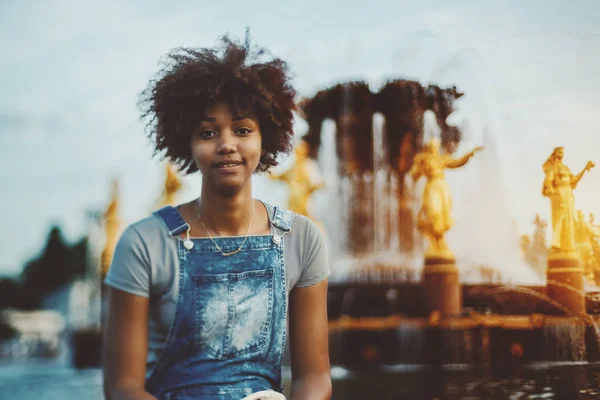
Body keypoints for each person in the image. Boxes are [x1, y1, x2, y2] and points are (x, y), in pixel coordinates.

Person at [102, 33, 332, 400]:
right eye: (208, 132)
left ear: (265, 138)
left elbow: (314, 376)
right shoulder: (144, 244)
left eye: (243, 130)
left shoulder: (302, 239)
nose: (227, 144)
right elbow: (122, 388)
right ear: (188, 142)